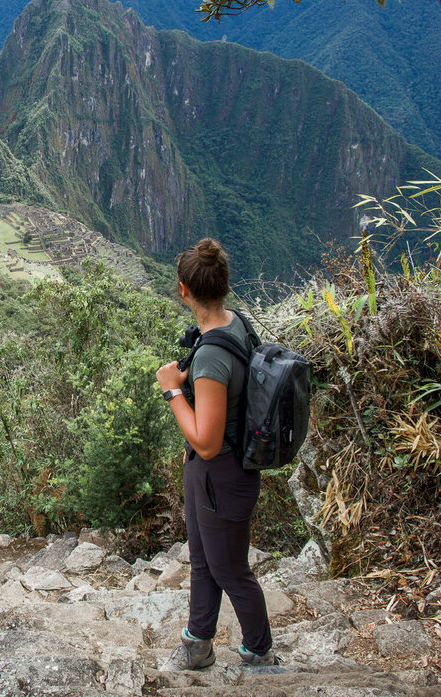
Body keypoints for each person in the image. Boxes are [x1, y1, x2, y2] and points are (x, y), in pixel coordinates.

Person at [155, 238, 276, 670]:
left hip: (219, 472)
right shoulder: (234, 324)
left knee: (229, 569)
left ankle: (259, 650)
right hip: (215, 472)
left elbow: (206, 440)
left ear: (184, 290)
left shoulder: (210, 358)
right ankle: (197, 643)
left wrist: (171, 389)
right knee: (205, 560)